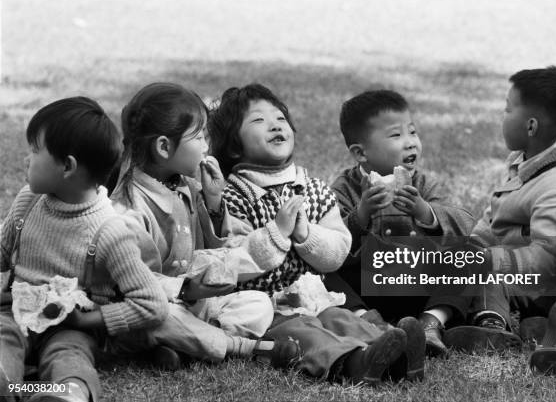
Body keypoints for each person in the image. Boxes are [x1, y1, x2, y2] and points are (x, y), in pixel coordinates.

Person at [208, 83, 426, 384]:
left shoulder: (314, 190)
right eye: (259, 121)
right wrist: (277, 232)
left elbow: (337, 251)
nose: (275, 125)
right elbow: (233, 260)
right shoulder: (233, 196)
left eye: (281, 118)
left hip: (317, 295)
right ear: (233, 147)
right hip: (266, 305)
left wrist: (306, 235)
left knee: (342, 318)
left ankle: (401, 355)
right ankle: (354, 363)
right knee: (306, 336)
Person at [110, 83, 297, 369]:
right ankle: (230, 346)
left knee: (257, 303)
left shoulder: (188, 185)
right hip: (157, 305)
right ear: (164, 147)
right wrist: (184, 289)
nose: (207, 147)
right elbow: (134, 283)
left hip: (194, 306)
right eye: (198, 137)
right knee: (161, 318)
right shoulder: (127, 210)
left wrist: (213, 201)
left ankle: (186, 347)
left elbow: (215, 245)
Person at [0, 97, 169, 402]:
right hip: (14, 314)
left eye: (35, 151)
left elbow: (152, 304)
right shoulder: (29, 201)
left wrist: (83, 322)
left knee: (69, 356)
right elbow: (1, 252)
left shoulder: (109, 231)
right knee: (2, 337)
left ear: (67, 166)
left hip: (71, 328)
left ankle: (62, 396)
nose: (27, 160)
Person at [444, 66, 556, 354]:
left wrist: (492, 258)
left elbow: (548, 258)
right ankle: (494, 325)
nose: (502, 116)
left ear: (530, 126)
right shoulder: (523, 163)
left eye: (507, 110)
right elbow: (494, 218)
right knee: (484, 276)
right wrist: (472, 246)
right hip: (546, 281)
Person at [331, 89, 477, 357]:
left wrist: (425, 212)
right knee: (316, 266)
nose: (411, 142)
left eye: (413, 132)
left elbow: (464, 224)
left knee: (473, 254)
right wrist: (361, 215)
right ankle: (369, 323)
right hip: (368, 287)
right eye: (396, 135)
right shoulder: (345, 188)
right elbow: (331, 241)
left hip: (418, 285)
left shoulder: (422, 184)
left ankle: (431, 323)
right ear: (361, 153)